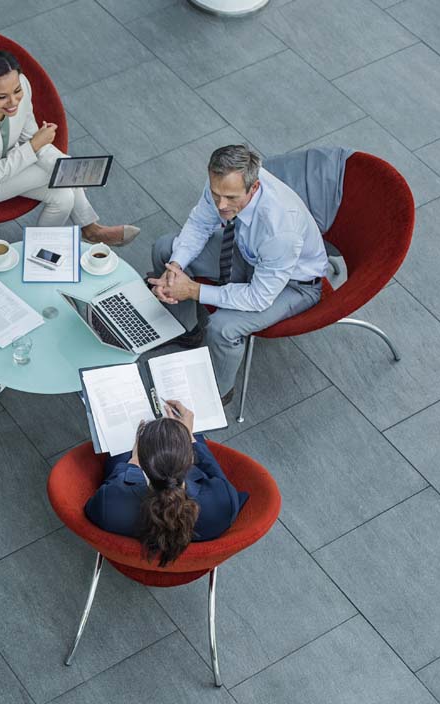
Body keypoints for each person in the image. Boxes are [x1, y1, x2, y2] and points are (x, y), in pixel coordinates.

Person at [147, 145, 328, 405]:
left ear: (253, 188)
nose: (221, 205)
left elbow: (258, 298)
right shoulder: (224, 183)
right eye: (216, 193)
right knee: (165, 249)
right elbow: (200, 223)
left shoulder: (280, 230)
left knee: (223, 328)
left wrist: (193, 290)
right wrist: (176, 265)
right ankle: (187, 330)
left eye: (231, 198)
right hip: (249, 253)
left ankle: (218, 392)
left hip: (294, 285)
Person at [0, 50, 138, 246]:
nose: (13, 102)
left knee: (64, 197)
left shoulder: (22, 84)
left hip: (8, 162)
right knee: (60, 175)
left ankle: (38, 253)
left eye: (16, 91)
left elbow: (30, 138)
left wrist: (57, 159)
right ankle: (92, 230)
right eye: (2, 97)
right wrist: (58, 162)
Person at [84, 401, 248, 565]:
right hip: (191, 568)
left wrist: (132, 463)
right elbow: (215, 473)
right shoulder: (223, 502)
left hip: (129, 563)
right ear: (191, 460)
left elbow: (93, 510)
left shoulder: (108, 504)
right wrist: (190, 437)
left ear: (142, 461)